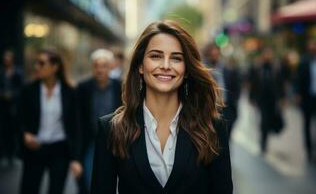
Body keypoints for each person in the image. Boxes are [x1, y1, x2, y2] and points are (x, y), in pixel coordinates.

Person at [91, 21, 233, 194]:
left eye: (176, 58)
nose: (166, 65)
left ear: (186, 69)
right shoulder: (111, 129)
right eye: (156, 56)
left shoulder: (213, 128)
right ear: (141, 66)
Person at [18, 49, 82, 194]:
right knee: (28, 189)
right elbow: (19, 118)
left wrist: (76, 159)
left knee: (56, 190)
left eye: (41, 63)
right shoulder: (29, 89)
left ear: (55, 67)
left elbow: (75, 126)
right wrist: (24, 135)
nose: (36, 67)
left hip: (59, 150)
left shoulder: (69, 92)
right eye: (36, 63)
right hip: (34, 149)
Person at [76, 49, 122, 194]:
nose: (100, 69)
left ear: (111, 67)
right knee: (90, 182)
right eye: (96, 66)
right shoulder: (83, 88)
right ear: (92, 68)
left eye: (104, 66)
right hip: (91, 142)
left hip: (115, 141)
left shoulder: (120, 87)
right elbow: (77, 120)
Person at [295, 40, 316, 165]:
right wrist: (298, 94)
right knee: (307, 124)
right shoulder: (304, 62)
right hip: (307, 98)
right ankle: (309, 150)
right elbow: (298, 79)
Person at [248, 48, 285, 154]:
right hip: (261, 99)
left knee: (269, 120)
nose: (268, 56)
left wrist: (282, 97)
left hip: (273, 99)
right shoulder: (258, 67)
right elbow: (252, 83)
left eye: (270, 54)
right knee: (264, 120)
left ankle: (266, 137)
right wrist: (251, 98)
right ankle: (263, 142)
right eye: (266, 54)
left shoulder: (276, 68)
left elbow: (280, 83)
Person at [203, 43, 241, 140]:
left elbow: (235, 89)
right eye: (212, 54)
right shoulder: (203, 70)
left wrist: (233, 104)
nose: (215, 56)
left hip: (226, 109)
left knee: (225, 140)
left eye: (217, 54)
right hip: (209, 110)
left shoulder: (227, 69)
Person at [0, 49, 23, 164]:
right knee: (1, 129)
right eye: (5, 58)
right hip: (1, 106)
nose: (7, 60)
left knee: (13, 130)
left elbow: (21, 88)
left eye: (8, 58)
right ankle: (3, 154)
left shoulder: (17, 72)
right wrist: (2, 94)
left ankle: (12, 154)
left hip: (13, 106)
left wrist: (13, 95)